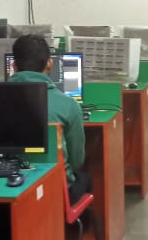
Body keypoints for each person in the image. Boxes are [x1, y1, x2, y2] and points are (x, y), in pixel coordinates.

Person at [8, 34, 89, 202]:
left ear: (14, 66)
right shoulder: (69, 105)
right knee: (85, 179)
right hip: (57, 189)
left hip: (8, 186)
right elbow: (77, 160)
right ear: (49, 64)